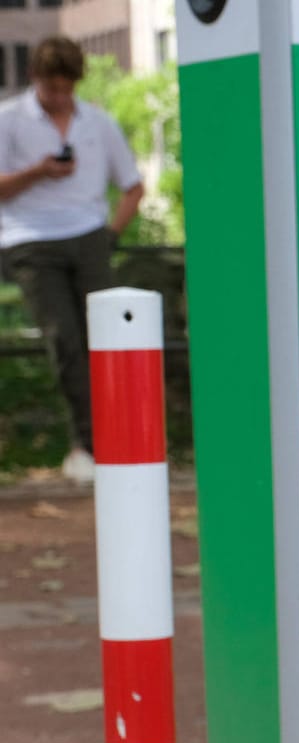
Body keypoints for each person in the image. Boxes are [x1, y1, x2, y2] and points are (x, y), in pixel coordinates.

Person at [0, 37, 144, 484]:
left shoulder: (98, 123)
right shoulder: (8, 120)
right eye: (50, 89)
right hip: (31, 240)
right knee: (65, 340)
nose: (59, 98)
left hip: (89, 238)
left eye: (66, 89)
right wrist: (38, 171)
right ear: (34, 79)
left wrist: (110, 236)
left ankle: (121, 440)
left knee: (109, 337)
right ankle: (87, 445)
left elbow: (133, 186)